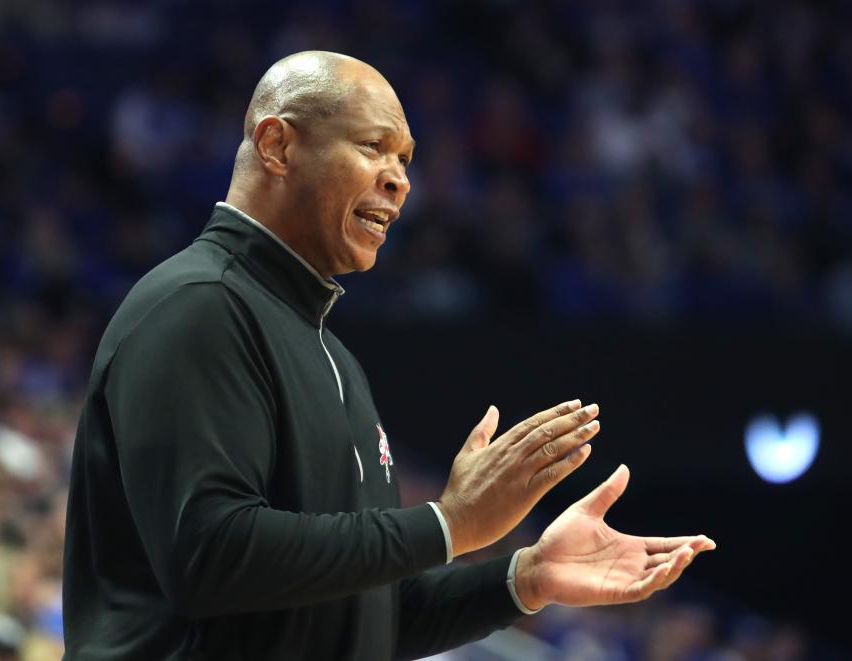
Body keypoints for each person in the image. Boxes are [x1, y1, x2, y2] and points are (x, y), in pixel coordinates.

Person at [62, 51, 715, 660]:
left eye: (404, 158)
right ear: (277, 145)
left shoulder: (334, 357)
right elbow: (209, 557)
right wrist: (447, 524)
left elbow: (361, 616)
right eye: (373, 147)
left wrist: (523, 578)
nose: (400, 180)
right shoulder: (199, 306)